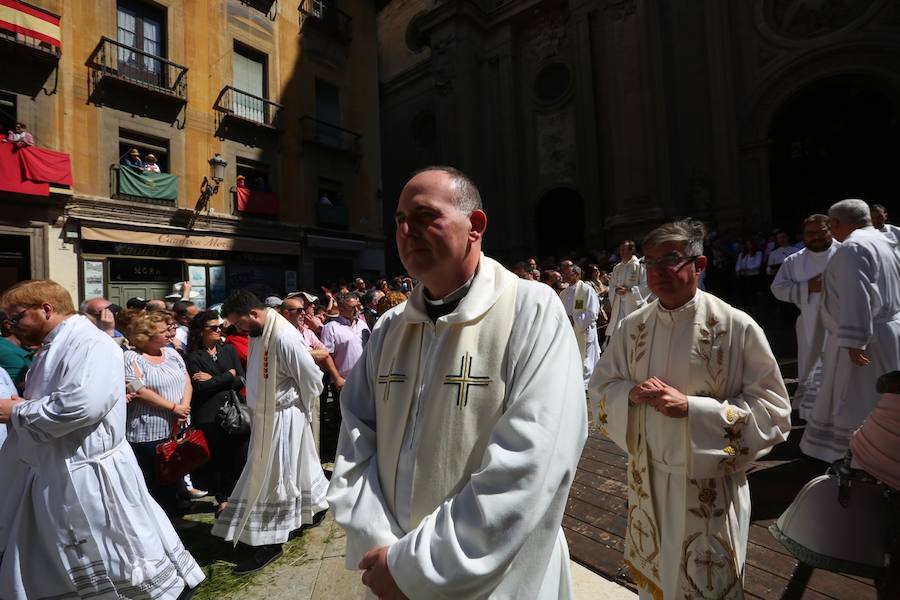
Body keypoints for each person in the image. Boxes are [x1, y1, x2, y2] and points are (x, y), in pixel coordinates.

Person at [327, 166, 587, 599]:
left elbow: (533, 461)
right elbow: (356, 437)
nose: (407, 230)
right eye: (399, 221)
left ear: (475, 227)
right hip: (391, 564)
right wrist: (380, 544)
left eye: (425, 215)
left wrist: (419, 566)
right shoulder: (391, 327)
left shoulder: (532, 310)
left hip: (495, 572)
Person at [590, 219, 791, 599]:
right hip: (647, 479)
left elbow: (774, 411)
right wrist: (629, 395)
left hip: (709, 486)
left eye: (670, 259)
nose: (657, 271)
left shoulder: (736, 327)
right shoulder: (632, 327)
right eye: (649, 262)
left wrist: (694, 411)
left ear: (699, 265)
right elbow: (601, 387)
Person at [0, 280, 203, 599]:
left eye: (16, 317)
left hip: (94, 474)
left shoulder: (91, 344)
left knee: (124, 551)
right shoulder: (53, 347)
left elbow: (83, 405)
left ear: (46, 310)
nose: (11, 327)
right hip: (65, 469)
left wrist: (18, 412)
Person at [212, 290, 329, 575]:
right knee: (297, 468)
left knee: (271, 477)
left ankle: (269, 542)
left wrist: (294, 410)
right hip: (268, 415)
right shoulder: (259, 331)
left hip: (282, 417)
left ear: (253, 314)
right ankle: (313, 509)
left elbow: (313, 379)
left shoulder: (283, 336)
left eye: (238, 323)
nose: (236, 330)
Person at [800, 199, 900, 463]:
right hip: (887, 333)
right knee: (884, 397)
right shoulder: (885, 241)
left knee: (859, 399)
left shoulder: (853, 248)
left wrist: (855, 341)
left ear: (835, 224)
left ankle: (861, 455)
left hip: (865, 340)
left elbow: (857, 295)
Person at [122, 309, 196, 528]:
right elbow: (137, 388)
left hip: (176, 425)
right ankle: (161, 522)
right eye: (164, 331)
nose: (169, 335)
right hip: (147, 429)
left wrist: (184, 407)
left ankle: (173, 515)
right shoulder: (131, 357)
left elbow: (186, 379)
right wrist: (172, 407)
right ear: (146, 334)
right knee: (153, 477)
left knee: (172, 473)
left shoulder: (172, 353)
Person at [770, 214, 840, 420]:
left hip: (845, 324)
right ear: (803, 236)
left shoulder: (847, 253)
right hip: (811, 325)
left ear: (830, 230)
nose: (816, 236)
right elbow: (778, 289)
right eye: (811, 233)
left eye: (821, 231)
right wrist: (808, 286)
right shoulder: (794, 261)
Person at [184, 310, 249, 519]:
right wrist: (225, 376)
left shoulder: (227, 350)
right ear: (200, 331)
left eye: (220, 326)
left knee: (239, 453)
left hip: (233, 410)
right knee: (218, 458)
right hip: (209, 414)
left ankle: (238, 493)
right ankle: (223, 499)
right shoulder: (193, 356)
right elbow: (200, 388)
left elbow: (240, 378)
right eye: (213, 328)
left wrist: (214, 378)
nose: (219, 330)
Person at [559, 264, 602, 397]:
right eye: (564, 273)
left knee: (586, 358)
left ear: (577, 275)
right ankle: (576, 383)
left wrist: (575, 320)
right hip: (570, 332)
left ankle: (586, 386)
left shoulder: (587, 290)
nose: (564, 276)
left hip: (584, 330)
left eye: (567, 273)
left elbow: (593, 312)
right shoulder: (563, 293)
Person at [605, 240, 651, 341]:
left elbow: (647, 284)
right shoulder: (617, 267)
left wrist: (629, 290)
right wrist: (615, 290)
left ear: (632, 250)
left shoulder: (639, 265)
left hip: (633, 305)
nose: (621, 252)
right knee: (618, 334)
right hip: (619, 306)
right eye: (620, 250)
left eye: (624, 250)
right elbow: (612, 285)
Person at [0, 309, 33, 393]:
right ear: (8, 324)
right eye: (24, 318)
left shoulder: (22, 347)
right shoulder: (6, 351)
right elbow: (29, 387)